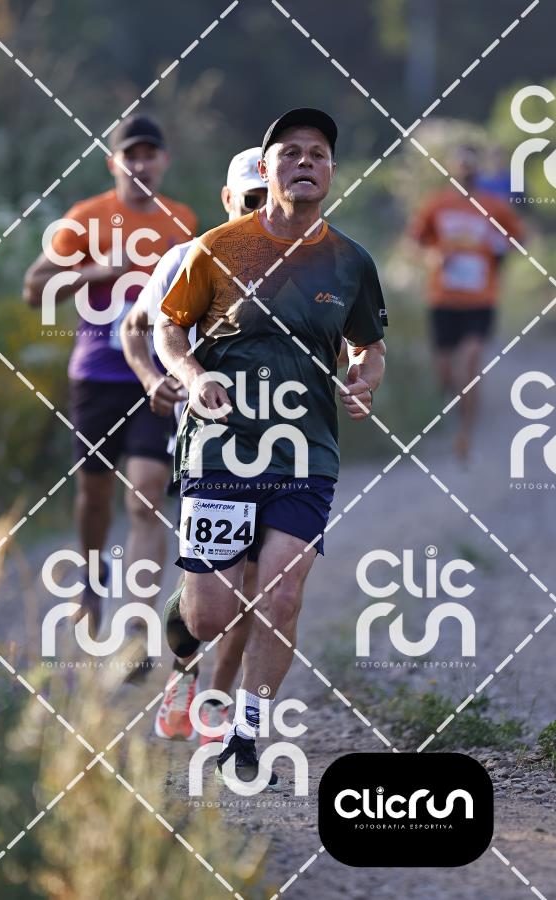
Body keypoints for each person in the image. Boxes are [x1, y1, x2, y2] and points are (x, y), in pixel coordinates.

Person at [154, 108, 387, 787]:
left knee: (281, 594)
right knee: (211, 614)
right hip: (222, 449)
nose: (305, 161)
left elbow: (369, 347)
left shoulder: (351, 261)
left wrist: (363, 382)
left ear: (332, 171)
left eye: (318, 153)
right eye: (291, 152)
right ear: (268, 168)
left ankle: (247, 731)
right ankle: (184, 656)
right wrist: (191, 376)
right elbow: (168, 329)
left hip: (304, 451)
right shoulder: (218, 247)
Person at [23, 115, 197, 640]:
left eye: (150, 154)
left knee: (146, 494)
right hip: (97, 376)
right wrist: (94, 272)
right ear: (113, 163)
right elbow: (34, 289)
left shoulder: (182, 219)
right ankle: (92, 579)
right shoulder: (87, 217)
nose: (140, 164)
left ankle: (138, 631)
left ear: (164, 161)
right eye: (131, 155)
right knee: (95, 494)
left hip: (157, 376)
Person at [120, 148, 267, 741]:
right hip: (210, 448)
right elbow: (136, 327)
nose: (262, 211)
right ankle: (184, 670)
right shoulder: (187, 258)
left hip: (284, 447)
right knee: (211, 594)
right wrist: (152, 379)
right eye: (251, 199)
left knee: (256, 585)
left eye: (272, 199)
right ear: (227, 200)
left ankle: (214, 704)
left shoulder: (312, 264)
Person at [409, 144, 524, 460]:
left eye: (470, 165)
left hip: (480, 299)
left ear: (477, 169)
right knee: (446, 374)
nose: (465, 170)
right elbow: (414, 242)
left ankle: (465, 435)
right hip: (443, 299)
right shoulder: (436, 204)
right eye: (460, 165)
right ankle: (448, 420)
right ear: (451, 168)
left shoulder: (494, 206)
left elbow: (518, 238)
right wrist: (432, 256)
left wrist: (499, 251)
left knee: (470, 362)